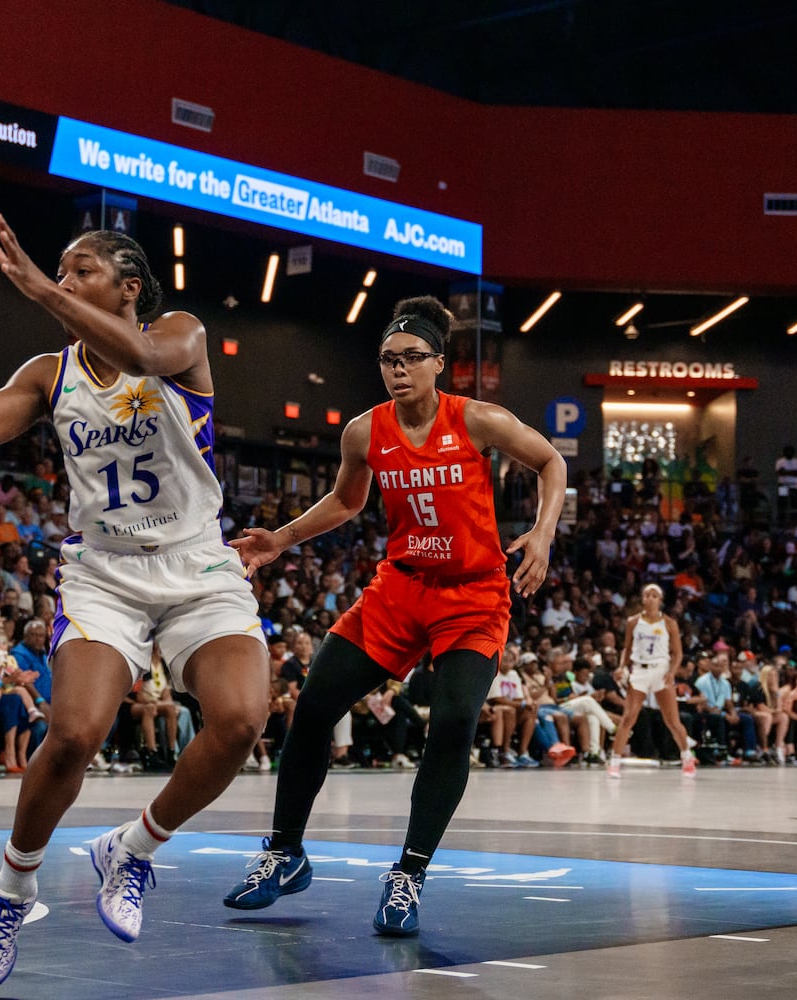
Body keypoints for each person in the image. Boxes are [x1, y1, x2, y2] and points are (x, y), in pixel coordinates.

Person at [0, 216, 268, 989]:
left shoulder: (180, 337)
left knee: (242, 721)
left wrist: (40, 289)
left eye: (80, 269)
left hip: (197, 565)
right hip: (107, 573)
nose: (63, 277)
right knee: (77, 732)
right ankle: (11, 891)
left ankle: (133, 851)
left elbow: (143, 354)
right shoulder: (49, 374)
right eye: (60, 269)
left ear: (128, 286)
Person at [218, 296, 565, 937]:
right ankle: (284, 852)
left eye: (411, 358)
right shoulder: (363, 431)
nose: (398, 369)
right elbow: (346, 502)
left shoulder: (479, 419)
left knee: (456, 721)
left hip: (472, 594)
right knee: (315, 706)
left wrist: (542, 533)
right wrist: (279, 540)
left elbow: (551, 461)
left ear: (439, 363)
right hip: (399, 591)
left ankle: (408, 873)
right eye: (387, 359)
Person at [607, 583, 697, 777]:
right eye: (647, 595)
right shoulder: (633, 621)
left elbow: (678, 653)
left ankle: (687, 757)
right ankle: (614, 761)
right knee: (629, 717)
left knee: (672, 720)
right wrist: (622, 666)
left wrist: (672, 671)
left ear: (660, 600)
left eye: (654, 595)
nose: (650, 598)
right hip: (639, 670)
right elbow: (627, 648)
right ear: (642, 599)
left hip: (661, 670)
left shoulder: (669, 623)